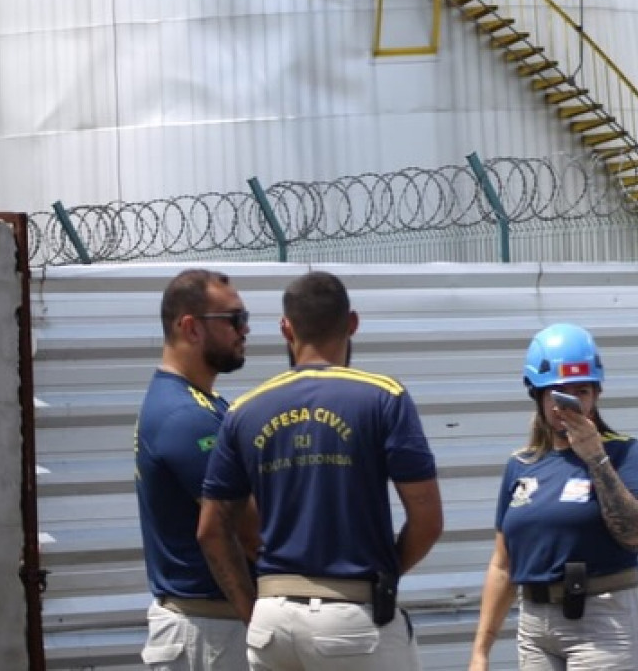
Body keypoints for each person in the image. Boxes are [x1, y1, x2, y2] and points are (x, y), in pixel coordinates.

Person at [198, 270, 443, 670]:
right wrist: (382, 578)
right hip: (352, 616)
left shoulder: (244, 410)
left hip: (272, 619)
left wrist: (253, 610)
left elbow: (211, 529)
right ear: (352, 323)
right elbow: (428, 520)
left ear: (285, 329)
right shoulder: (384, 397)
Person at [469, 323, 638, 670]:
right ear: (537, 395)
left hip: (603, 621)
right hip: (535, 624)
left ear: (596, 395)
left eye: (580, 392)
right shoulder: (521, 465)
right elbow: (502, 563)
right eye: (557, 392)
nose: (566, 404)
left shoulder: (624, 453)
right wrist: (481, 650)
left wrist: (596, 459)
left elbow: (635, 533)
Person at [135, 268, 255, 670]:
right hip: (210, 633)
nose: (245, 330)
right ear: (190, 328)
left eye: (245, 318)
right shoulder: (186, 415)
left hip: (214, 629)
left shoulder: (204, 403)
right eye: (234, 319)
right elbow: (246, 526)